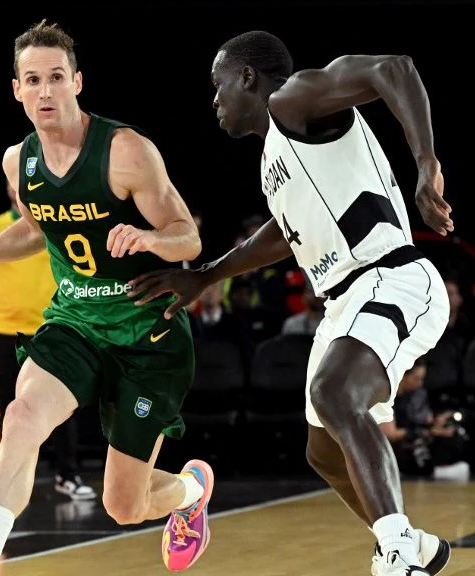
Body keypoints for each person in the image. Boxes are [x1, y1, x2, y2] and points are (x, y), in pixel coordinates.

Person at [0, 20, 212, 576]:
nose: (46, 90)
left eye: (57, 77)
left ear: (77, 82)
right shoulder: (19, 161)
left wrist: (150, 239)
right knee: (21, 415)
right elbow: (36, 231)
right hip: (76, 321)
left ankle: (192, 491)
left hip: (148, 335)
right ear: (16, 89)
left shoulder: (126, 151)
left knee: (123, 506)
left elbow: (189, 236)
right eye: (33, 80)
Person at [129, 32, 453, 576]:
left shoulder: (294, 98)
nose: (215, 100)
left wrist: (426, 163)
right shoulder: (273, 159)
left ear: (248, 78)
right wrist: (205, 276)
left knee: (333, 392)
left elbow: (393, 67)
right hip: (343, 300)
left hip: (390, 276)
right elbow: (284, 233)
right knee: (322, 451)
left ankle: (395, 553)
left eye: (219, 85)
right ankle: (414, 544)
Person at [0, 178, 94, 501]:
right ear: (8, 189)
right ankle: (9, 482)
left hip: (53, 327)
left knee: (60, 406)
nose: (19, 188)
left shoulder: (58, 222)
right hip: (5, 329)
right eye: (13, 182)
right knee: (8, 409)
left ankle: (68, 474)